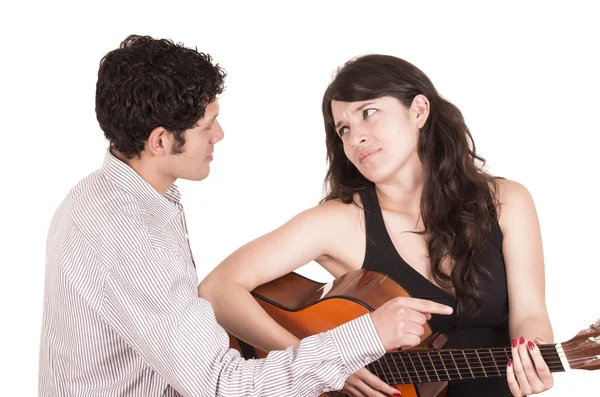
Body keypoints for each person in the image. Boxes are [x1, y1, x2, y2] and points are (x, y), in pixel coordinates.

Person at [37, 36, 455, 397]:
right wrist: (365, 335)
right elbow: (223, 386)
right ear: (160, 140)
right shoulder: (127, 233)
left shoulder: (114, 193)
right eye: (207, 125)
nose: (219, 135)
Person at [199, 54, 555, 397]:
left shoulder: (506, 201)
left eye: (368, 113)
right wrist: (319, 364)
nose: (356, 139)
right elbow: (218, 289)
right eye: (344, 129)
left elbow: (531, 313)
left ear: (419, 110)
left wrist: (536, 356)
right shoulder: (339, 221)